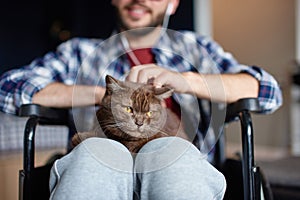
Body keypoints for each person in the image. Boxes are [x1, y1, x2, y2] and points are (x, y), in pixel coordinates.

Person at [0, 0, 282, 199]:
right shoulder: (80, 52)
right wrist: (108, 96)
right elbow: (9, 87)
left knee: (171, 156)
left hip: (177, 166)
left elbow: (267, 90)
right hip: (99, 161)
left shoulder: (195, 51)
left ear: (172, 4)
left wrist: (188, 81)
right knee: (97, 156)